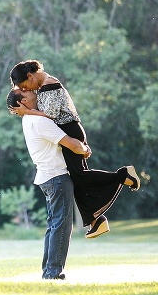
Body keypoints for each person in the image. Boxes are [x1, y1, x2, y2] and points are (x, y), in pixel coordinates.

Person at [9, 60, 140, 238]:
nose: (28, 89)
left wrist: (28, 112)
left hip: (69, 130)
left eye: (25, 86)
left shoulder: (49, 85)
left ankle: (123, 175)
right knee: (77, 178)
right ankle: (95, 220)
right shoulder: (42, 87)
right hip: (68, 131)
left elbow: (51, 116)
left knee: (79, 176)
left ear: (30, 76)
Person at [6, 88, 91, 280]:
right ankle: (53, 272)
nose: (31, 90)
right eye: (25, 91)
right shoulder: (39, 122)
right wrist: (84, 149)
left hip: (48, 177)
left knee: (55, 225)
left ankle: (49, 271)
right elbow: (71, 144)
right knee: (61, 226)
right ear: (23, 101)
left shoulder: (29, 119)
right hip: (57, 177)